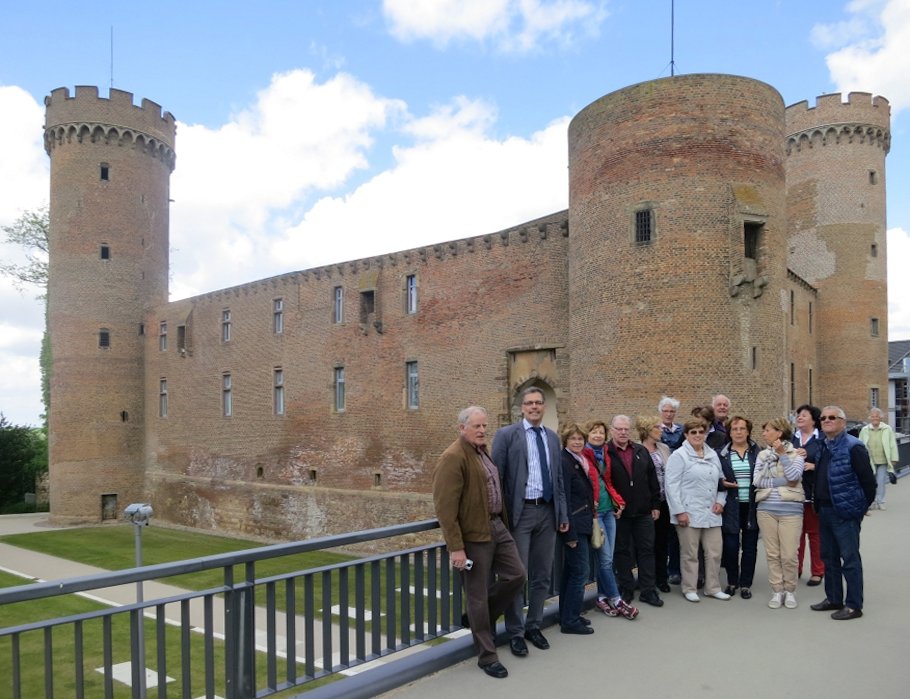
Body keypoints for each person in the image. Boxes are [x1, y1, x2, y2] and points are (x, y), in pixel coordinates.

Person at [433, 406, 526, 678]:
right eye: (477, 426)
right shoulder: (453, 457)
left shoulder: (481, 451)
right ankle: (487, 657)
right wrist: (456, 547)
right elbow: (445, 508)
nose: (483, 430)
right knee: (476, 595)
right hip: (474, 535)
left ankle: (477, 617)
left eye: (485, 426)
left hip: (497, 526)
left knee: (517, 575)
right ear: (462, 428)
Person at [492, 387, 568, 657]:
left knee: (542, 575)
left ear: (544, 407)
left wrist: (562, 515)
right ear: (522, 408)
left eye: (538, 403)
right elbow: (496, 478)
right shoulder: (507, 435)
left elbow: (558, 479)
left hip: (547, 512)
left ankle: (534, 625)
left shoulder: (551, 437)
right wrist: (501, 519)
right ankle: (515, 632)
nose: (534, 407)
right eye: (529, 403)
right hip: (520, 514)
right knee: (517, 576)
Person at [811, 406, 876, 620]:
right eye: (823, 418)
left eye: (832, 417)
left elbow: (868, 482)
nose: (827, 420)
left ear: (843, 422)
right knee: (829, 558)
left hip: (845, 512)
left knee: (849, 559)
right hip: (825, 510)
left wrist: (860, 508)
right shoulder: (823, 445)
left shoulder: (853, 446)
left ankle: (854, 605)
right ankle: (834, 599)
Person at [665, 416, 730, 602]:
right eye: (693, 432)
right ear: (686, 435)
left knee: (714, 552)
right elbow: (671, 485)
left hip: (711, 511)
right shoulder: (679, 456)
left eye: (701, 432)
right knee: (690, 553)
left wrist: (721, 501)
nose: (697, 435)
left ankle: (713, 587)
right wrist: (679, 511)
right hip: (688, 512)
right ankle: (689, 587)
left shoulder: (712, 454)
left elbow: (721, 481)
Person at [607, 414, 664, 607]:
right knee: (622, 552)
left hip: (643, 511)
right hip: (620, 512)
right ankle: (627, 588)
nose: (623, 432)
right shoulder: (607, 452)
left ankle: (648, 590)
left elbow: (652, 479)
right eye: (619, 429)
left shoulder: (640, 450)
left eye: (626, 429)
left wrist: (655, 504)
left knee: (647, 550)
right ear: (612, 430)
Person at [584, 420, 639, 619]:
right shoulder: (583, 455)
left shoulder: (604, 454)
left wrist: (618, 501)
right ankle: (616, 599)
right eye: (594, 432)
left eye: (600, 433)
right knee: (606, 560)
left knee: (606, 559)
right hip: (596, 515)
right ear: (587, 435)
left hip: (609, 512)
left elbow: (606, 482)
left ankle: (601, 596)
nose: (598, 436)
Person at [753, 417, 805, 610]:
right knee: (772, 553)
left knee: (789, 554)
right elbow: (757, 481)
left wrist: (782, 454)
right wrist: (782, 482)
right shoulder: (762, 455)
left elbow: (794, 476)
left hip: (791, 510)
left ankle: (790, 590)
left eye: (767, 430)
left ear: (779, 433)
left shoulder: (797, 454)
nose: (764, 433)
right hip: (766, 509)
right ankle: (777, 590)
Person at [557, 423, 597, 634]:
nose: (577, 442)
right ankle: (570, 621)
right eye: (573, 439)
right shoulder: (565, 461)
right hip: (574, 525)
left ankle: (568, 614)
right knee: (580, 571)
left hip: (582, 522)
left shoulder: (578, 460)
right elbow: (564, 498)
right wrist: (569, 532)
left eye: (580, 439)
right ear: (565, 441)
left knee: (572, 572)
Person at [718, 415, 759, 599]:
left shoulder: (758, 452)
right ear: (729, 432)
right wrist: (722, 484)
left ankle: (745, 584)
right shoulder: (721, 454)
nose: (739, 432)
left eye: (742, 428)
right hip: (731, 507)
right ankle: (732, 581)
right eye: (734, 429)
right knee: (731, 546)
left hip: (752, 506)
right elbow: (714, 479)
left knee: (750, 547)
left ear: (748, 431)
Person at [637, 415, 673, 593]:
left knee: (662, 542)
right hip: (647, 503)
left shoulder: (664, 448)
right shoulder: (637, 449)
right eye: (657, 428)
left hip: (665, 501)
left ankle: (661, 578)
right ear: (647, 430)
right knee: (646, 544)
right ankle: (647, 580)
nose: (661, 430)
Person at [794, 404, 824, 587]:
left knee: (814, 534)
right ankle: (795, 568)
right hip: (794, 494)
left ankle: (817, 571)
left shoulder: (821, 440)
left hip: (812, 494)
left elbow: (828, 461)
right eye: (798, 415)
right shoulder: (791, 439)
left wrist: (814, 466)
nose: (799, 417)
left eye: (804, 415)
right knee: (796, 535)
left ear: (813, 420)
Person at [859, 408, 900, 510]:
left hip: (883, 460)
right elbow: (859, 444)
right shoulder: (865, 430)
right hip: (869, 460)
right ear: (870, 418)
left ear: (881, 417)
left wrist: (894, 458)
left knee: (881, 481)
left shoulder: (887, 428)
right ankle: (871, 501)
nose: (875, 418)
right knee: (870, 482)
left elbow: (892, 444)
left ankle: (881, 501)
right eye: (873, 416)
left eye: (877, 416)